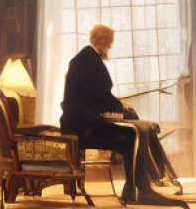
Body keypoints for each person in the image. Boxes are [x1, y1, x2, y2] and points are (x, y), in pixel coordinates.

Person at [60, 24, 186, 206]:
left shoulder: (87, 59)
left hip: (85, 121)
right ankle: (140, 188)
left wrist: (119, 105)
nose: (109, 49)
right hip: (81, 128)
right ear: (102, 41)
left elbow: (96, 96)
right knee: (132, 133)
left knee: (133, 131)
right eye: (109, 45)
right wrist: (120, 106)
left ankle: (140, 186)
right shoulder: (88, 60)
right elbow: (98, 96)